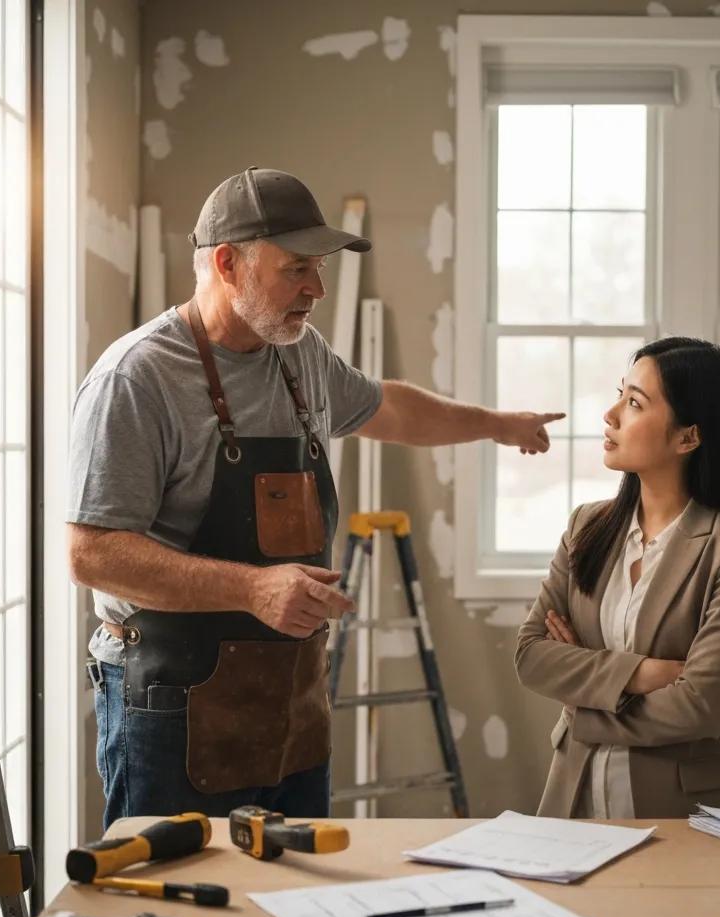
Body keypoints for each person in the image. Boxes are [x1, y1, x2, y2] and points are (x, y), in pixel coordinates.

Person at [68, 167, 563, 827]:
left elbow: (390, 408)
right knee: (181, 889)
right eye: (296, 269)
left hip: (291, 699)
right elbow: (93, 555)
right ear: (227, 264)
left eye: (320, 269)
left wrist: (497, 425)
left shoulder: (299, 356)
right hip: (171, 704)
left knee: (299, 879)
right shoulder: (138, 379)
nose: (318, 290)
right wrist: (252, 589)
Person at [515, 337, 720, 819]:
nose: (611, 414)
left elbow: (700, 707)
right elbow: (531, 656)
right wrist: (643, 673)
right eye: (620, 394)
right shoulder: (585, 526)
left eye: (635, 403)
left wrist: (583, 707)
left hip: (689, 814)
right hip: (574, 803)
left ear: (688, 438)